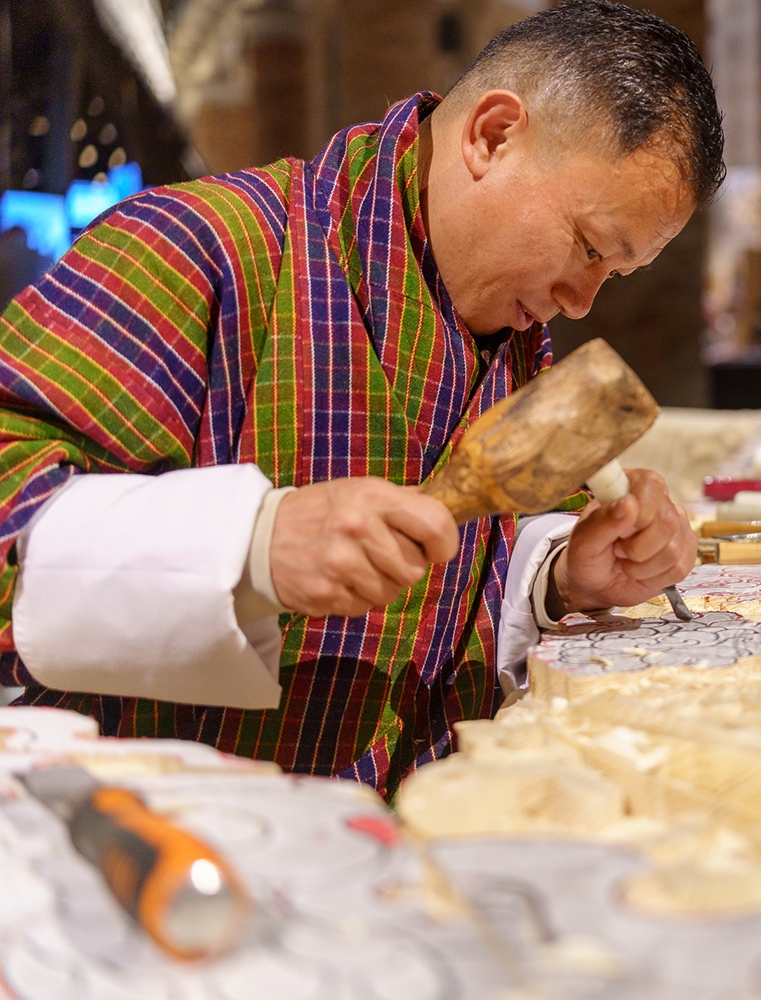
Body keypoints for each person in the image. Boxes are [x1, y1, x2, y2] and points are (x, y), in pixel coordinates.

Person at [0, 1, 722, 796]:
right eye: (588, 246)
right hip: (163, 845)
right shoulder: (195, 247)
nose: (583, 301)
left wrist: (559, 576)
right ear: (491, 136)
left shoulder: (510, 335)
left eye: (614, 274)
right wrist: (248, 546)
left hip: (400, 850)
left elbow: (450, 582)